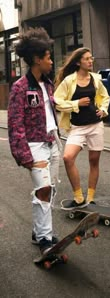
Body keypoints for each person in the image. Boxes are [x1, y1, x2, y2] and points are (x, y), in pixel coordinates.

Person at [8, 27, 61, 254]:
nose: (51, 60)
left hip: (53, 142)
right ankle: (44, 239)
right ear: (37, 59)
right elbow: (15, 124)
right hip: (34, 145)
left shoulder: (47, 83)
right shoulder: (20, 87)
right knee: (44, 188)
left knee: (50, 190)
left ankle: (39, 230)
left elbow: (49, 112)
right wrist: (25, 157)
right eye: (48, 57)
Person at [54, 47, 110, 209]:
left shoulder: (95, 79)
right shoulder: (69, 81)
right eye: (86, 59)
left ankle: (90, 198)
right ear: (78, 62)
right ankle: (78, 197)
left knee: (94, 161)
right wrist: (76, 103)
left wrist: (104, 110)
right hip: (77, 127)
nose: (90, 61)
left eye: (91, 58)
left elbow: (105, 96)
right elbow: (57, 101)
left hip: (95, 125)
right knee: (68, 158)